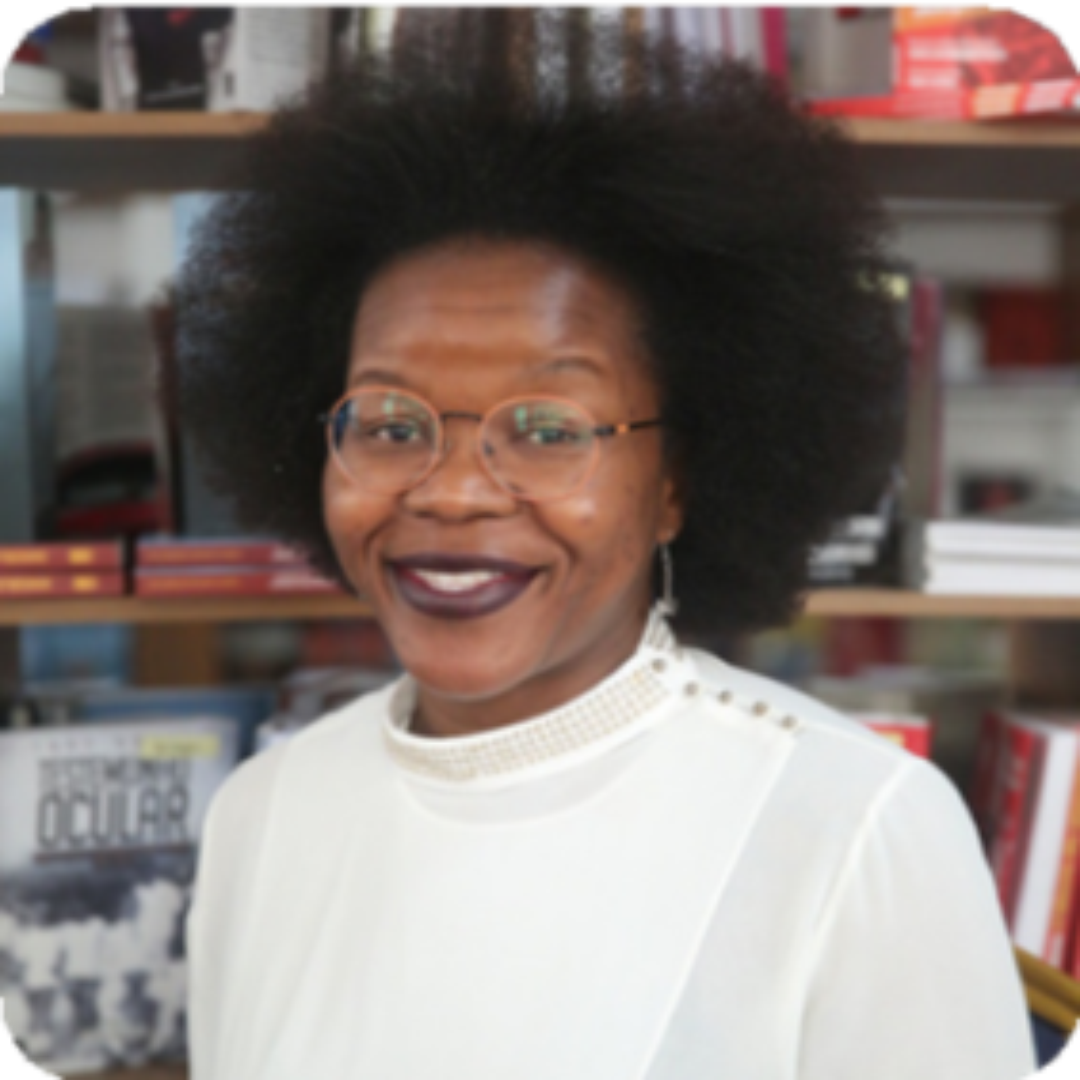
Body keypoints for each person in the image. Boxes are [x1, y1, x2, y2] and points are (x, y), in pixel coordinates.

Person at [178, 8, 1037, 1079]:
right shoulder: (262, 816)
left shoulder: (854, 831)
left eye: (547, 430)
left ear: (677, 480)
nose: (452, 492)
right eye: (392, 424)